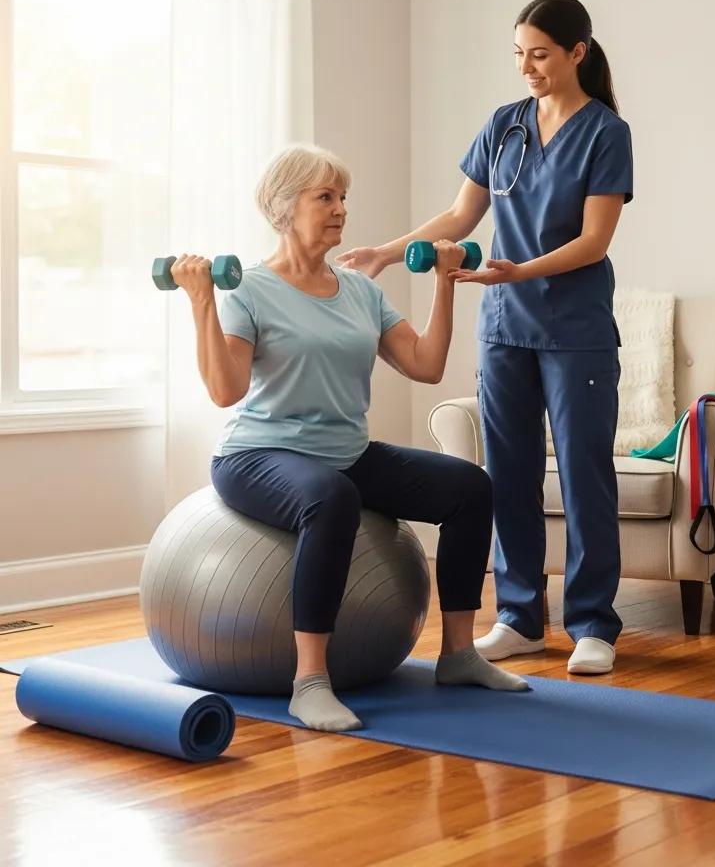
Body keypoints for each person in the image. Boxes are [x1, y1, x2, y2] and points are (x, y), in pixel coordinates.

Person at [171, 143, 527, 734]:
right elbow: (225, 391)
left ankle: (459, 654)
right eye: (325, 197)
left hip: (346, 453)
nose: (340, 209)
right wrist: (202, 300)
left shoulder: (361, 290)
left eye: (343, 198)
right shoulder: (250, 290)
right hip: (258, 455)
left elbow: (425, 365)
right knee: (330, 497)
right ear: (285, 208)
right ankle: (310, 681)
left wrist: (444, 283)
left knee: (469, 486)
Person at [338, 0, 633, 675]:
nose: (528, 67)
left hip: (576, 329)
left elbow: (595, 241)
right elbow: (459, 215)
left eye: (541, 54)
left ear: (577, 53)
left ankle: (594, 623)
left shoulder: (606, 133)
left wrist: (519, 271)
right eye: (520, 54)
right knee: (508, 474)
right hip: (504, 329)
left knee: (584, 474)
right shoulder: (504, 125)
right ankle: (520, 617)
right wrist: (386, 252)